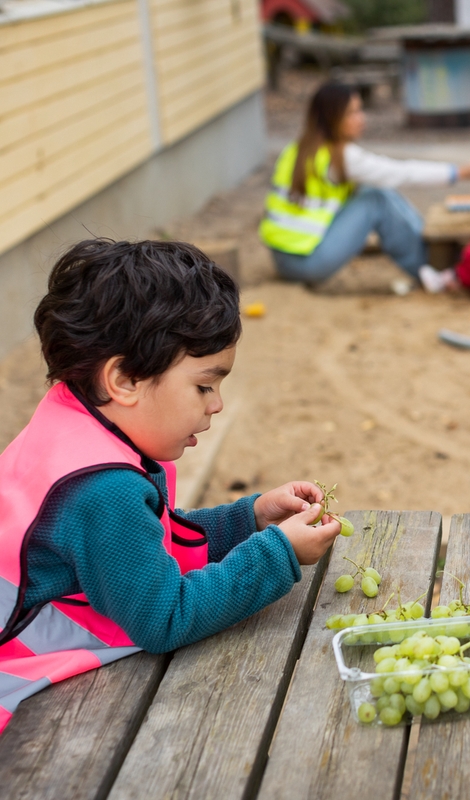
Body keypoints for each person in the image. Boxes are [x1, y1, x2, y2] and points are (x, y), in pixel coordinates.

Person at [0, 239, 342, 733]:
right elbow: (164, 619)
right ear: (124, 380)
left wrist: (250, 518)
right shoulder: (103, 490)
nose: (216, 404)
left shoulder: (73, 423)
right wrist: (277, 553)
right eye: (204, 385)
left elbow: (140, 546)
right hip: (20, 691)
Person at [258, 81, 470, 290]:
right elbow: (401, 173)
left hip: (283, 259)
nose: (361, 119)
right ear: (332, 117)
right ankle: (430, 267)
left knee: (372, 192)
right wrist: (458, 172)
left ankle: (429, 251)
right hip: (306, 263)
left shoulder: (297, 150)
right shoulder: (341, 157)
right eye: (352, 113)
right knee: (376, 198)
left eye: (360, 110)